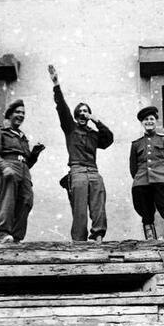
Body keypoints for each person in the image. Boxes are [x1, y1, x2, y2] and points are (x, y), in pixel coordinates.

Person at [48, 65, 113, 243]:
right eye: (81, 111)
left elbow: (108, 140)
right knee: (79, 209)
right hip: (77, 171)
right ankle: (79, 242)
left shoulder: (93, 134)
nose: (83, 114)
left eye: (86, 111)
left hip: (93, 171)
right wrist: (56, 85)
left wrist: (96, 120)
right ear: (76, 115)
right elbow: (62, 108)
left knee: (98, 206)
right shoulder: (70, 128)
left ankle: (98, 236)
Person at [0, 100, 45, 244]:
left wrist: (35, 153)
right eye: (18, 112)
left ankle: (16, 237)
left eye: (23, 113)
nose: (21, 115)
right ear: (10, 114)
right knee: (9, 199)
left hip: (23, 169)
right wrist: (4, 167)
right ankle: (3, 233)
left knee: (27, 200)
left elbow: (27, 163)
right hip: (9, 165)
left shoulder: (22, 136)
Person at [129, 106, 164, 241]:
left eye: (151, 119)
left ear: (156, 121)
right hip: (141, 182)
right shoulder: (136, 144)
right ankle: (150, 240)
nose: (149, 121)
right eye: (146, 120)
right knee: (146, 213)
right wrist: (140, 178)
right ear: (142, 123)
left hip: (161, 180)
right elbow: (133, 168)